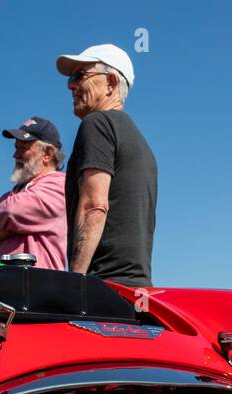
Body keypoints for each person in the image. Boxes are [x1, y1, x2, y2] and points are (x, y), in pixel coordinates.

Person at [56, 44, 157, 287]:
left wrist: (75, 282)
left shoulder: (97, 124)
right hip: (135, 291)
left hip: (101, 288)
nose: (71, 85)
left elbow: (94, 206)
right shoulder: (142, 144)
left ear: (111, 82)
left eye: (80, 75)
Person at [0, 117, 67, 270]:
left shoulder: (60, 184)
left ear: (47, 154)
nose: (15, 155)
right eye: (16, 147)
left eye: (23, 148)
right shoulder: (9, 196)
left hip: (36, 287)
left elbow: (13, 211)